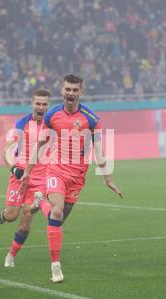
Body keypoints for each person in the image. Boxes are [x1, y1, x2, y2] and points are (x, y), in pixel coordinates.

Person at [19, 74, 123, 283]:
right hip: (56, 170)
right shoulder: (52, 115)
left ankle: (35, 205)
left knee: (58, 219)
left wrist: (108, 179)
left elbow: (100, 152)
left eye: (75, 90)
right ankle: (55, 267)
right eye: (68, 89)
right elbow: (39, 145)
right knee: (56, 211)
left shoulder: (91, 119)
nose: (71, 93)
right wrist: (28, 171)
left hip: (77, 177)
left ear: (81, 92)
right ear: (62, 90)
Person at [0, 88, 52, 267]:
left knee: (28, 213)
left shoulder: (53, 125)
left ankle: (11, 255)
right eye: (38, 103)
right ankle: (4, 214)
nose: (41, 107)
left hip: (39, 178)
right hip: (20, 175)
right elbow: (7, 148)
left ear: (48, 106)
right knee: (12, 215)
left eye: (44, 104)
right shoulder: (21, 124)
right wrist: (14, 169)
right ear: (32, 104)